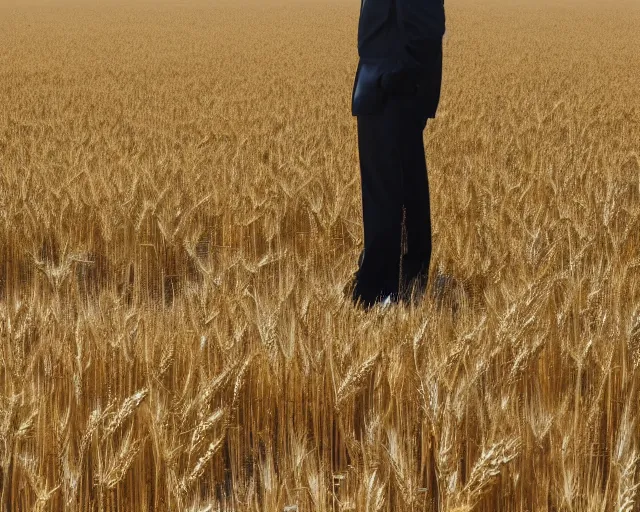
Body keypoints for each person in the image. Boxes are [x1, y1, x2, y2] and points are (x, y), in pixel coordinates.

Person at [347, 0, 445, 309]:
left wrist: (399, 79)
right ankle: (406, 282)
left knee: (385, 194)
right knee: (403, 187)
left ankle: (377, 291)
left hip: (388, 87)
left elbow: (425, 29)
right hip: (390, 84)